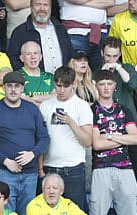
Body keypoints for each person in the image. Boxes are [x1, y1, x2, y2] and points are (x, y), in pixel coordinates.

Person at [0, 71, 49, 215]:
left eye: (17, 86)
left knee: (28, 212)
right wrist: (6, 161)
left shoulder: (32, 109)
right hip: (2, 171)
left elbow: (44, 138)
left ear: (22, 88)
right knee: (4, 212)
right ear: (3, 88)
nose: (13, 90)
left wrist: (33, 154)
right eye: (9, 86)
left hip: (29, 173)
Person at [37, 66, 92, 211]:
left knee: (74, 211)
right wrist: (40, 169)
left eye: (65, 86)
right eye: (58, 85)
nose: (61, 90)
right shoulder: (45, 106)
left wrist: (71, 122)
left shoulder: (82, 106)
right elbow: (40, 139)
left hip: (73, 168)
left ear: (74, 84)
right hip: (50, 167)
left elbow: (87, 141)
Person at [89, 69, 137, 215]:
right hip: (101, 168)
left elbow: (135, 139)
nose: (106, 87)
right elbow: (97, 144)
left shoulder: (124, 110)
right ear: (96, 86)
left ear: (115, 86)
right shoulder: (91, 111)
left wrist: (109, 136)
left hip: (125, 168)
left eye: (109, 83)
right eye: (102, 84)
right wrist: (123, 138)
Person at [7, 0, 74, 73]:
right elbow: (13, 59)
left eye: (45, 5)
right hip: (35, 83)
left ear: (50, 8)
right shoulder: (20, 32)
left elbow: (70, 55)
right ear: (31, 7)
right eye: (38, 5)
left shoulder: (60, 29)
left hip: (62, 83)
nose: (42, 8)